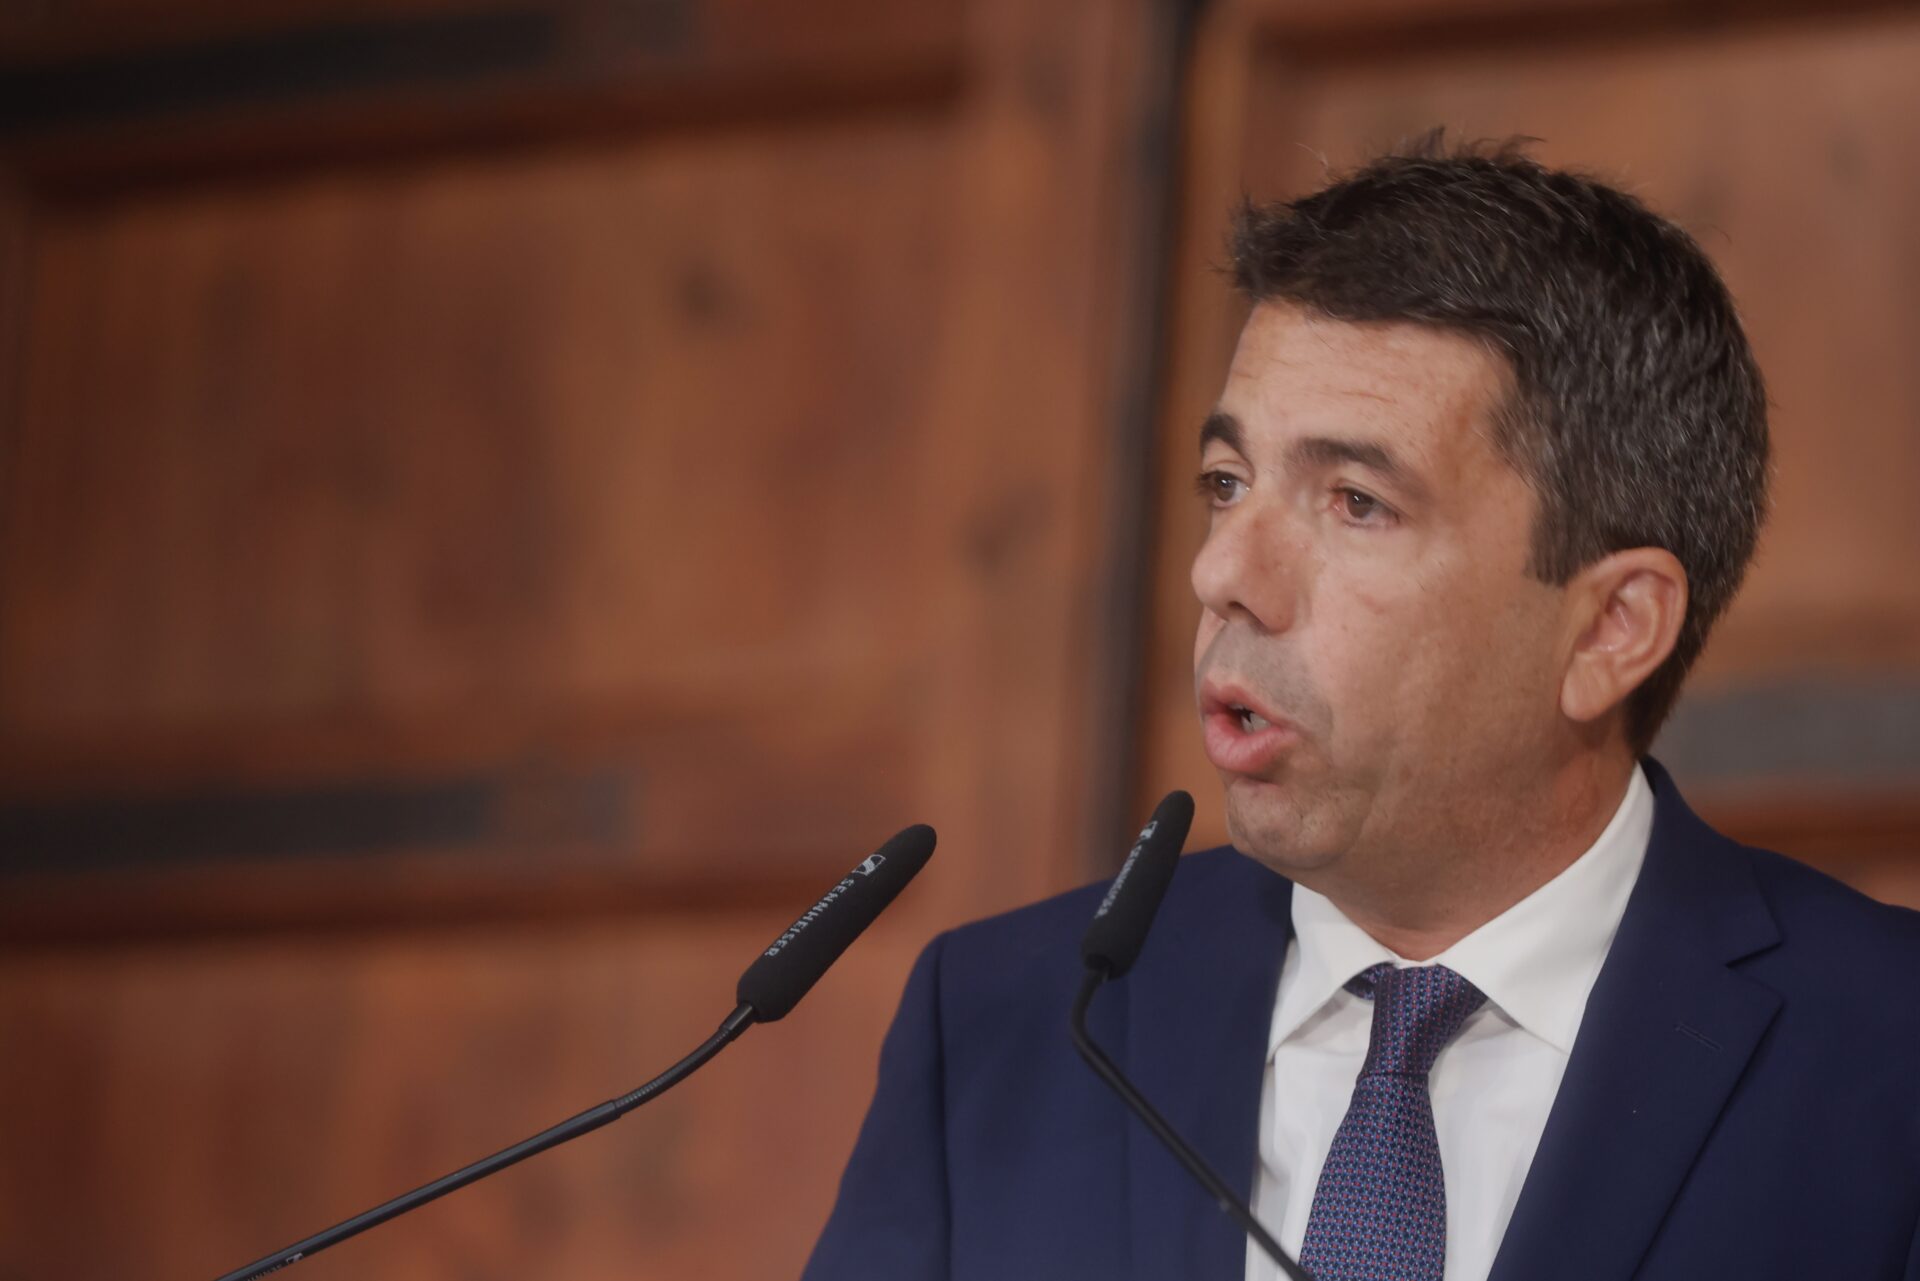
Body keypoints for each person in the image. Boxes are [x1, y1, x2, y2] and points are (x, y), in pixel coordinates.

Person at [801, 137, 1920, 1281]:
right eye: (1227, 484)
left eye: (1355, 502)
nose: (1222, 572)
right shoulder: (1009, 1023)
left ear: (1609, 630)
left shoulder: (1889, 1051)